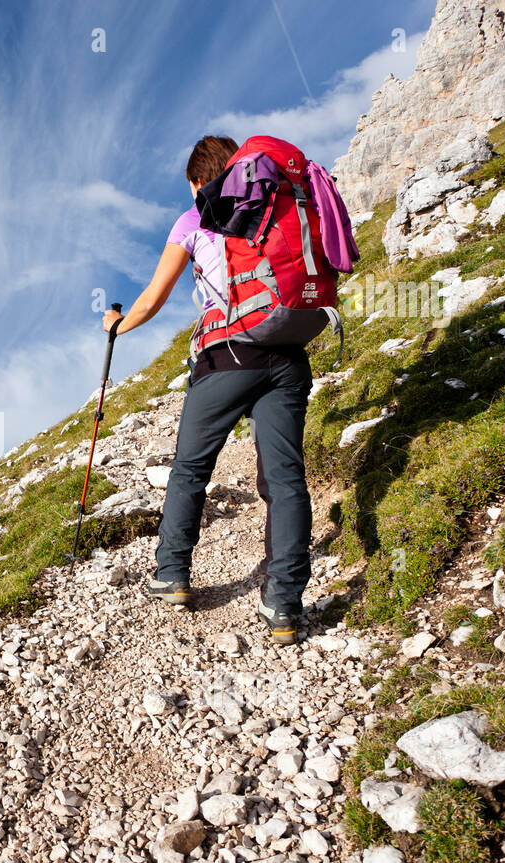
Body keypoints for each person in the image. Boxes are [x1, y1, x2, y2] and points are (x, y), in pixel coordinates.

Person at [102, 134, 312, 644]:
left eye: (190, 186)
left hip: (227, 357)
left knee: (191, 467)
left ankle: (173, 574)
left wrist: (115, 326)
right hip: (287, 353)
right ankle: (283, 603)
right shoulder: (277, 205)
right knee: (285, 481)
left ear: (199, 179)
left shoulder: (194, 218)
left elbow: (152, 299)